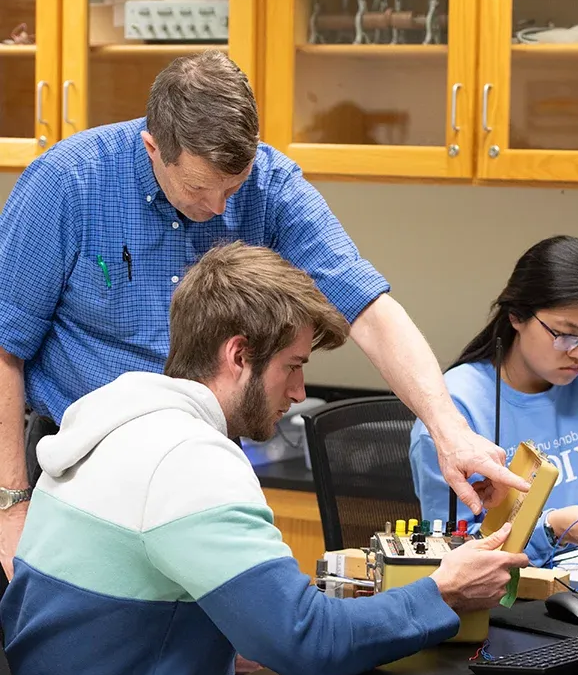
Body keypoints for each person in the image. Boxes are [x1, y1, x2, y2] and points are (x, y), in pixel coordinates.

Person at [0, 51, 526, 580]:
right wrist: (13, 505)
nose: (221, 209)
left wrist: (448, 430)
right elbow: (4, 347)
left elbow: (367, 307)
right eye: (200, 189)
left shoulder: (271, 185)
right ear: (153, 148)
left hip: (203, 465)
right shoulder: (67, 184)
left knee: (230, 648)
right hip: (80, 468)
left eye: (234, 186)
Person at [0, 242, 529, 675]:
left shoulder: (120, 417)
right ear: (238, 355)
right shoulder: (186, 458)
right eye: (292, 366)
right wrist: (442, 591)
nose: (299, 392)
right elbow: (306, 641)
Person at [409, 236, 578, 567]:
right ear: (517, 316)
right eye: (564, 334)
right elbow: (456, 555)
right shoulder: (456, 412)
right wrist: (549, 530)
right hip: (507, 601)